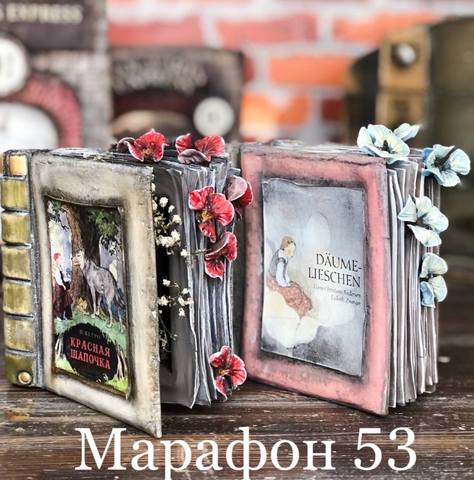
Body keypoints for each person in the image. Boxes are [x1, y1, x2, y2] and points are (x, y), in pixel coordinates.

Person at [267, 237, 312, 318]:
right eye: (289, 251)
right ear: (284, 248)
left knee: (296, 286)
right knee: (295, 291)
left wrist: (288, 281)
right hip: (275, 282)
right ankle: (300, 310)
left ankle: (304, 306)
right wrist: (286, 285)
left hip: (279, 280)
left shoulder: (283, 255)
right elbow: (279, 276)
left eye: (292, 251)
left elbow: (284, 273)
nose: (292, 254)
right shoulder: (281, 259)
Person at [52, 252, 73, 321]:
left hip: (61, 287)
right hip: (59, 287)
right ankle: (58, 316)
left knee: (64, 301)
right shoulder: (56, 268)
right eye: (60, 259)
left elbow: (63, 277)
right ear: (57, 259)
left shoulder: (59, 267)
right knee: (59, 301)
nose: (61, 260)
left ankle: (64, 315)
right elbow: (58, 279)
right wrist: (63, 285)